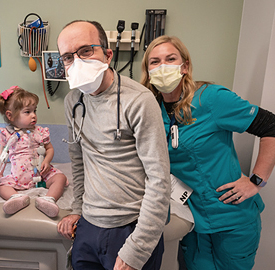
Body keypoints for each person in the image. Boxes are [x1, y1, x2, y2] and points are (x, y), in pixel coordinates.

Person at [140, 35, 275, 270]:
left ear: (185, 66)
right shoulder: (150, 110)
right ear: (148, 70)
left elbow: (271, 126)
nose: (163, 66)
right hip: (190, 220)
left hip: (232, 218)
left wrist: (256, 181)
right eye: (155, 62)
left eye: (170, 59)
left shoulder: (210, 98)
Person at [56, 20, 171, 270]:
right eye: (67, 57)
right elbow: (78, 160)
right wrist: (77, 208)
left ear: (107, 55)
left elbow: (159, 179)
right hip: (88, 225)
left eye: (86, 51)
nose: (77, 62)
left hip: (130, 227)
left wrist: (137, 249)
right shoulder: (72, 101)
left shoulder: (139, 100)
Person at [0, 86, 67, 217]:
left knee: (60, 178)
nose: (34, 115)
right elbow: (2, 157)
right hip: (18, 177)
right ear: (10, 116)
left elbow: (49, 149)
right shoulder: (7, 135)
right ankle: (15, 198)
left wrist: (46, 160)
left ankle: (48, 200)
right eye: (27, 112)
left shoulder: (39, 132)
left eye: (34, 111)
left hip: (42, 175)